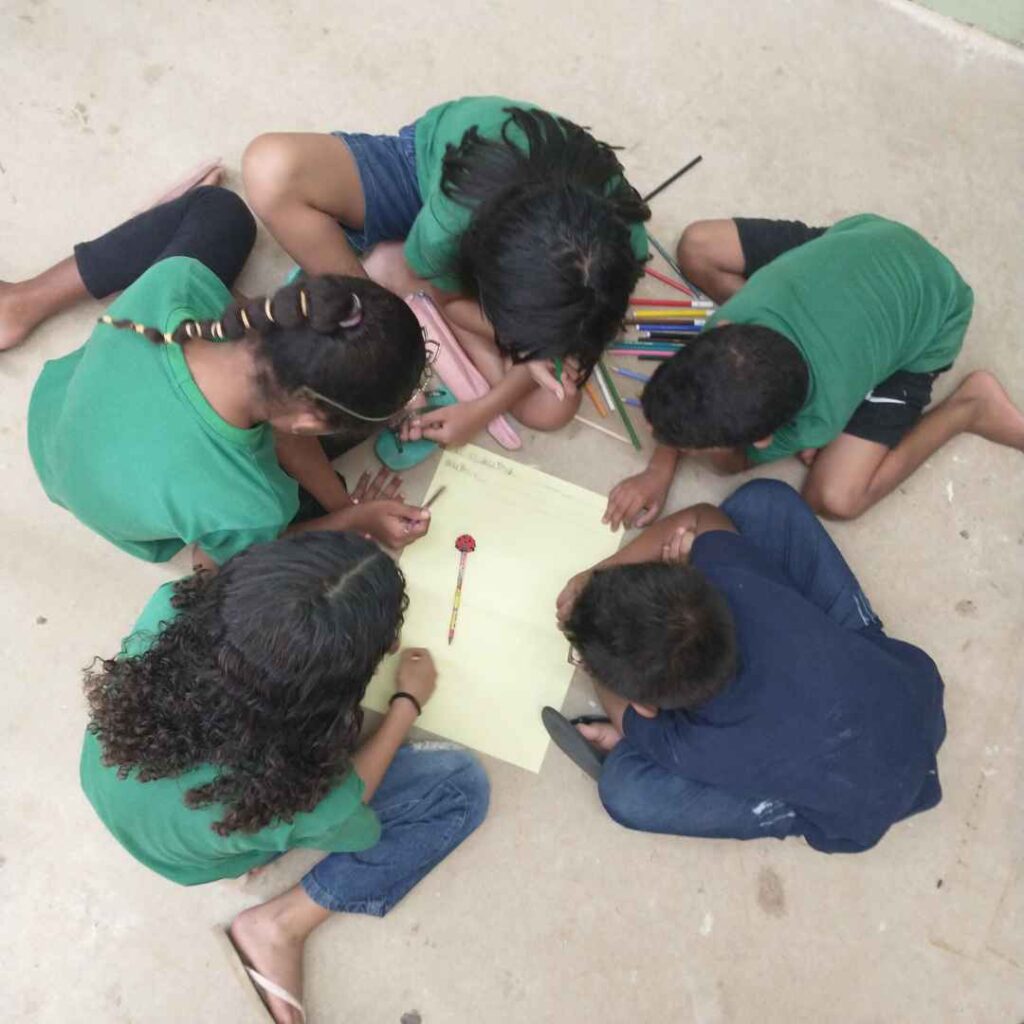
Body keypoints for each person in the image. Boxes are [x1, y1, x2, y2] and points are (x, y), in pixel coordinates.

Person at [81, 530, 489, 1023]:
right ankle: (282, 925)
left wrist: (348, 577)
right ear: (328, 691)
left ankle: (248, 864)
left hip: (113, 784)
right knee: (460, 786)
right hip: (200, 854)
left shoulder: (170, 605)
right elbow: (357, 825)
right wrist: (407, 702)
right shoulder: (292, 790)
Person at [12, 178, 433, 565]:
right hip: (112, 500)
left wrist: (346, 505)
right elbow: (223, 565)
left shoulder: (176, 281)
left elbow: (289, 422)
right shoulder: (252, 502)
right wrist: (352, 520)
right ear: (305, 421)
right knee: (309, 498)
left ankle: (23, 302)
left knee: (220, 212)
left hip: (54, 419)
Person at [554, 479, 946, 854]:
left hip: (854, 811)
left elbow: (629, 721)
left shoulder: (693, 747)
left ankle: (793, 807)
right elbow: (700, 517)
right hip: (909, 691)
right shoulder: (731, 580)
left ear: (646, 706)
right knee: (764, 503)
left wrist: (588, 654)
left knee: (626, 791)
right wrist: (597, 577)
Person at [242, 95, 651, 445]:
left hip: (485, 239)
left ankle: (395, 270)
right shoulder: (451, 225)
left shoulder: (619, 249)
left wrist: (481, 409)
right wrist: (515, 354)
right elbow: (451, 300)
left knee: (552, 408)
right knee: (271, 171)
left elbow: (570, 339)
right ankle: (391, 274)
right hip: (426, 173)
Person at [604, 214, 1024, 527]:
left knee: (835, 497)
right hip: (865, 243)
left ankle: (971, 407)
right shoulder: (737, 318)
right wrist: (659, 468)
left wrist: (701, 457)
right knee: (696, 247)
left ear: (765, 437)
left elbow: (730, 463)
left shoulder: (819, 418)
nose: (657, 437)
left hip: (935, 314)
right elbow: (700, 389)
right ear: (727, 331)